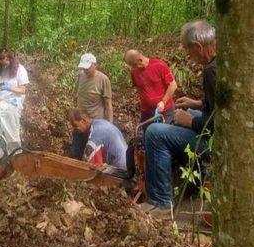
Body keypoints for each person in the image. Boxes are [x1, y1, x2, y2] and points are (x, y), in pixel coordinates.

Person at [139, 20, 216, 218]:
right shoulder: (223, 62)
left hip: (218, 143)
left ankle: (160, 202)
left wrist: (190, 121)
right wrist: (198, 104)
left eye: (189, 53)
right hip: (221, 135)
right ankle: (191, 181)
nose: (190, 58)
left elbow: (218, 123)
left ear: (199, 46)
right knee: (186, 117)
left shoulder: (211, 71)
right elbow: (222, 107)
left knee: (154, 133)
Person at [0, 49, 30, 160]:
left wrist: (9, 87)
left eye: (6, 60)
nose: (4, 63)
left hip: (12, 104)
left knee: (12, 135)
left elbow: (23, 90)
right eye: (1, 60)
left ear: (11, 59)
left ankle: (15, 160)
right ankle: (0, 157)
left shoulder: (20, 69)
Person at [69, 53, 113, 160]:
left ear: (95, 65)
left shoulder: (103, 79)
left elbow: (108, 104)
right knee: (76, 152)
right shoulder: (80, 76)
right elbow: (78, 95)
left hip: (95, 123)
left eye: (87, 68)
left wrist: (110, 125)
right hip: (80, 121)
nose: (85, 71)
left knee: (93, 156)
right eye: (84, 68)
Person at [67, 108, 129, 178]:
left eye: (75, 125)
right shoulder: (100, 122)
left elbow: (89, 164)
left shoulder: (95, 135)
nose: (75, 129)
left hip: (121, 170)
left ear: (83, 121)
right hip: (127, 163)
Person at [125, 49, 177, 127]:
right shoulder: (134, 71)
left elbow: (173, 85)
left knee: (162, 135)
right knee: (148, 136)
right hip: (146, 112)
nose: (133, 68)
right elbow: (139, 88)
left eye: (134, 65)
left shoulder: (159, 65)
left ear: (140, 61)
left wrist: (163, 101)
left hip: (165, 111)